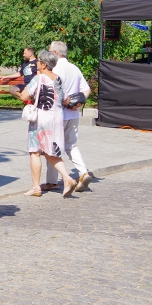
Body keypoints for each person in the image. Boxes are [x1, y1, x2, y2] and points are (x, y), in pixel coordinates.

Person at [12, 50, 78, 197]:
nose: (36, 64)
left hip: (41, 118)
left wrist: (13, 91)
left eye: (38, 62)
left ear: (43, 64)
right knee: (50, 151)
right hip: (57, 117)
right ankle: (67, 178)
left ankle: (36, 187)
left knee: (35, 151)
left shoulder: (39, 78)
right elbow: (65, 100)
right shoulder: (58, 79)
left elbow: (24, 95)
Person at [42, 41, 92, 192]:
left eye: (50, 52)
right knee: (71, 145)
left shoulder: (54, 69)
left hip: (57, 114)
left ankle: (51, 181)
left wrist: (66, 101)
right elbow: (86, 89)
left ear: (56, 53)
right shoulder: (74, 68)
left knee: (52, 148)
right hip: (73, 114)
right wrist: (77, 103)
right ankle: (83, 172)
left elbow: (55, 91)